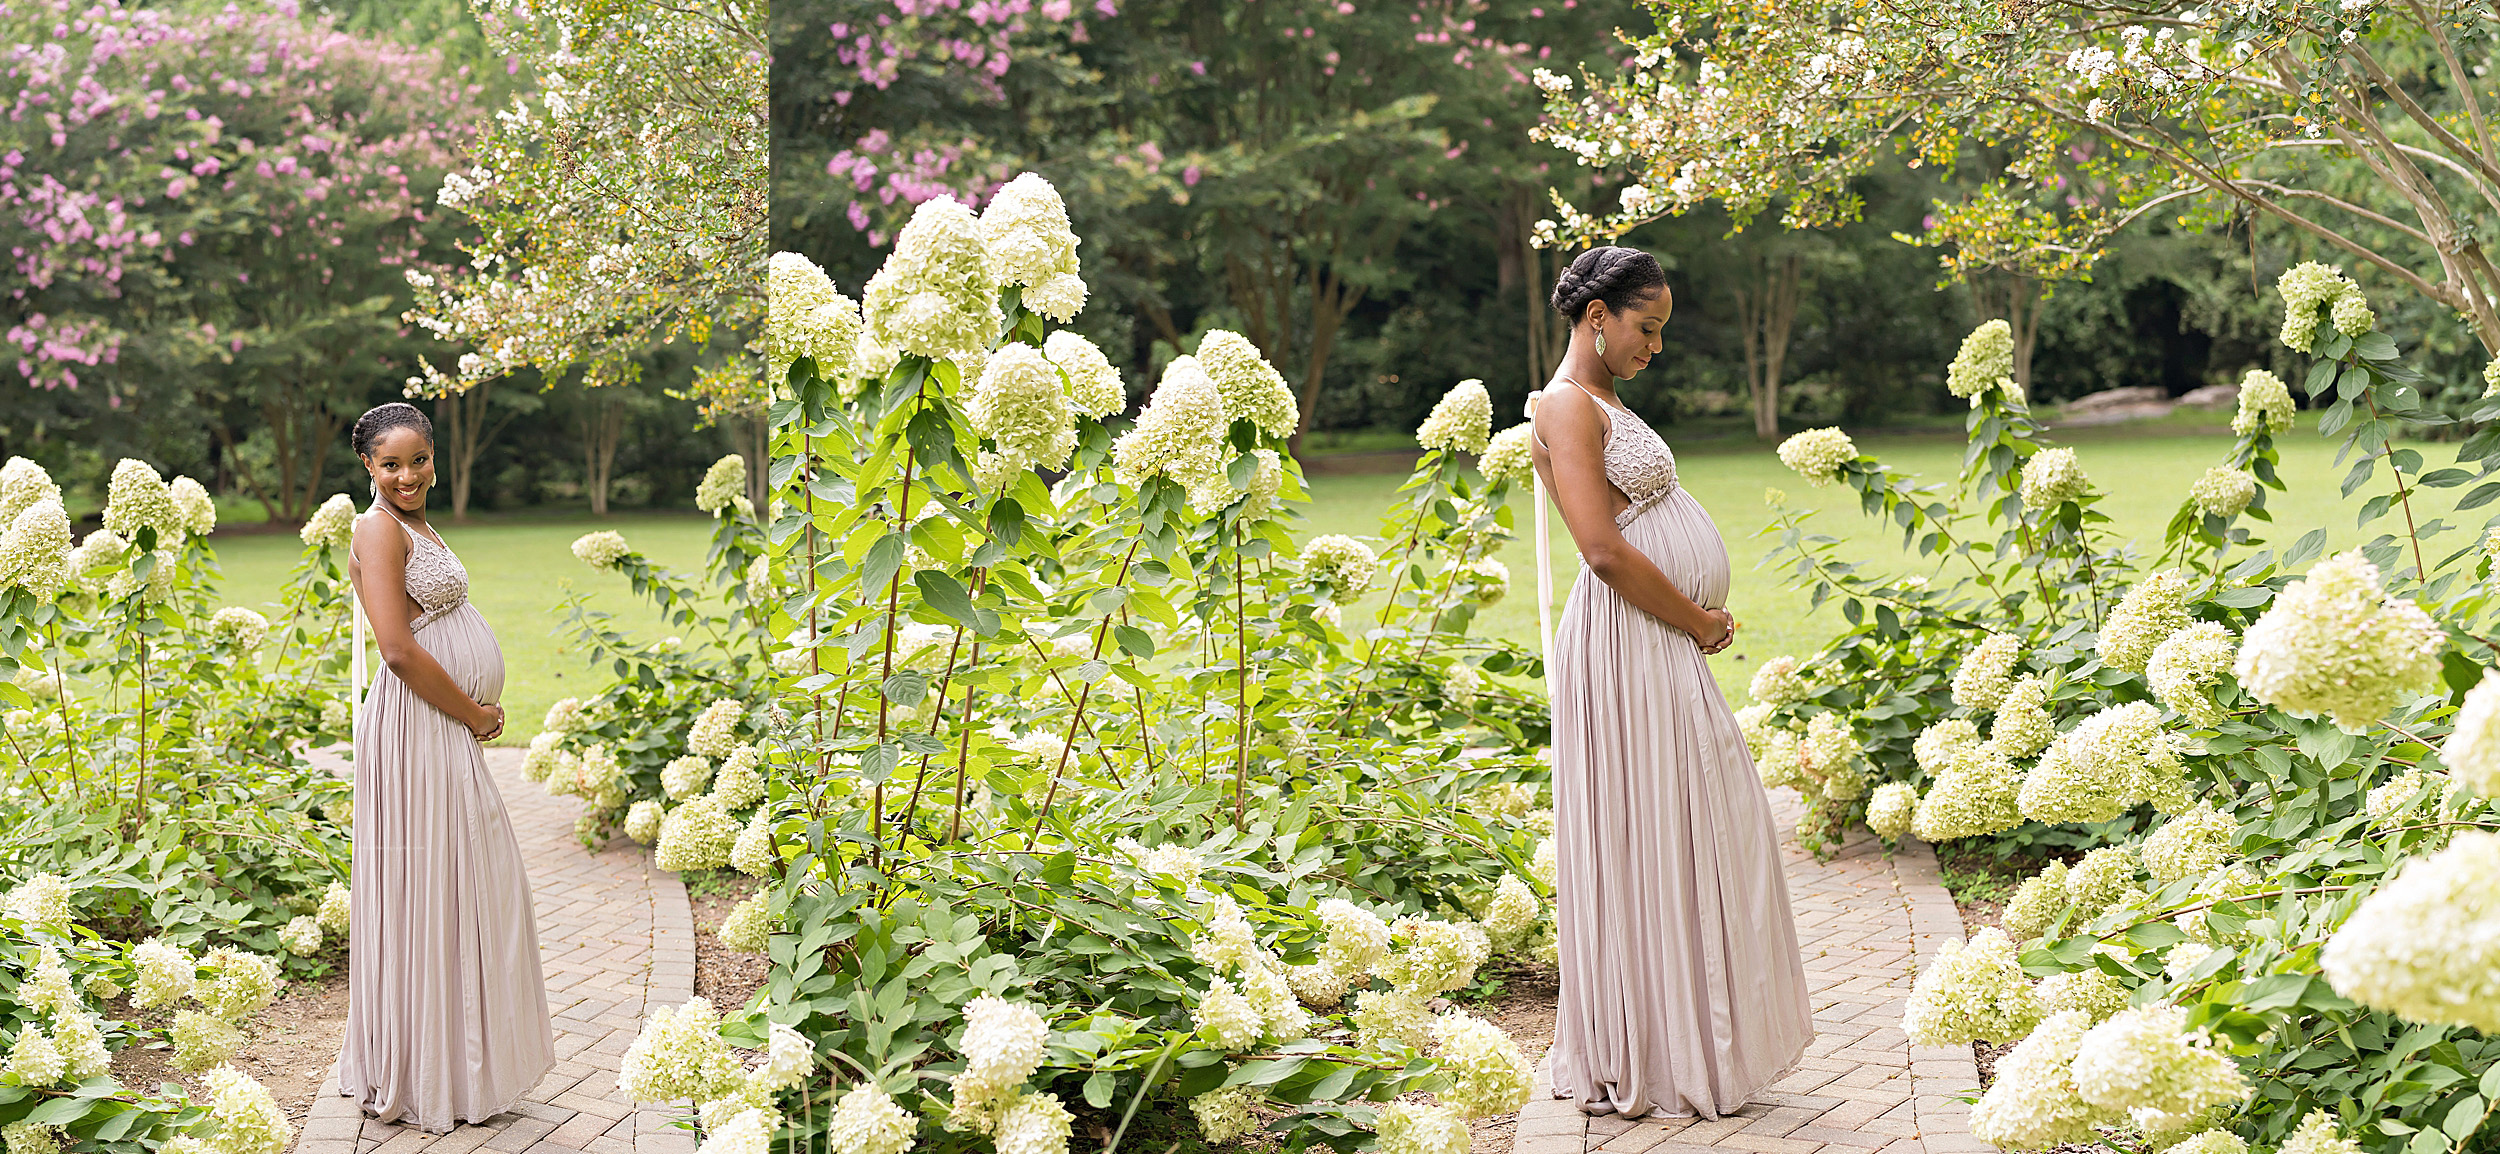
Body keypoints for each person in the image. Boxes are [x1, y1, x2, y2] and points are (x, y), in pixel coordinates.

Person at [1530, 246, 1814, 1119]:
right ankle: (1651, 1054)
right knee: (1661, 832)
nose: (1655, 346)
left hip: (1656, 641)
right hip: (1633, 641)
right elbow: (1603, 550)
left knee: (1693, 831)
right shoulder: (1566, 405)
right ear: (1596, 318)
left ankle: (1687, 1040)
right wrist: (1697, 620)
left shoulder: (1607, 400)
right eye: (1646, 328)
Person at [335, 402, 556, 1133]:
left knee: (459, 890)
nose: (407, 474)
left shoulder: (419, 525)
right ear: (368, 466)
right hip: (418, 726)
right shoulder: (376, 529)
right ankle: (420, 1071)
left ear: (435, 455)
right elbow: (396, 650)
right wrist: (473, 712)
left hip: (440, 725)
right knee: (434, 891)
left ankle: (455, 1066)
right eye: (391, 464)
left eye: (419, 459)